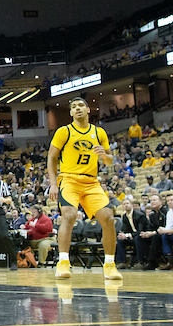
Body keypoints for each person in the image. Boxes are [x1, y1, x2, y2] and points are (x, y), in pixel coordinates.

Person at [46, 98, 122, 281]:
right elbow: (51, 158)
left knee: (108, 218)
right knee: (69, 215)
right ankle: (63, 262)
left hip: (91, 182)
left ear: (88, 109)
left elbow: (109, 160)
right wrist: (53, 184)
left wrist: (105, 155)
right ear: (71, 113)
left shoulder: (99, 132)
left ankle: (109, 265)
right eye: (74, 107)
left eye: (81, 106)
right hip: (69, 179)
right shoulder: (64, 131)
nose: (77, 109)